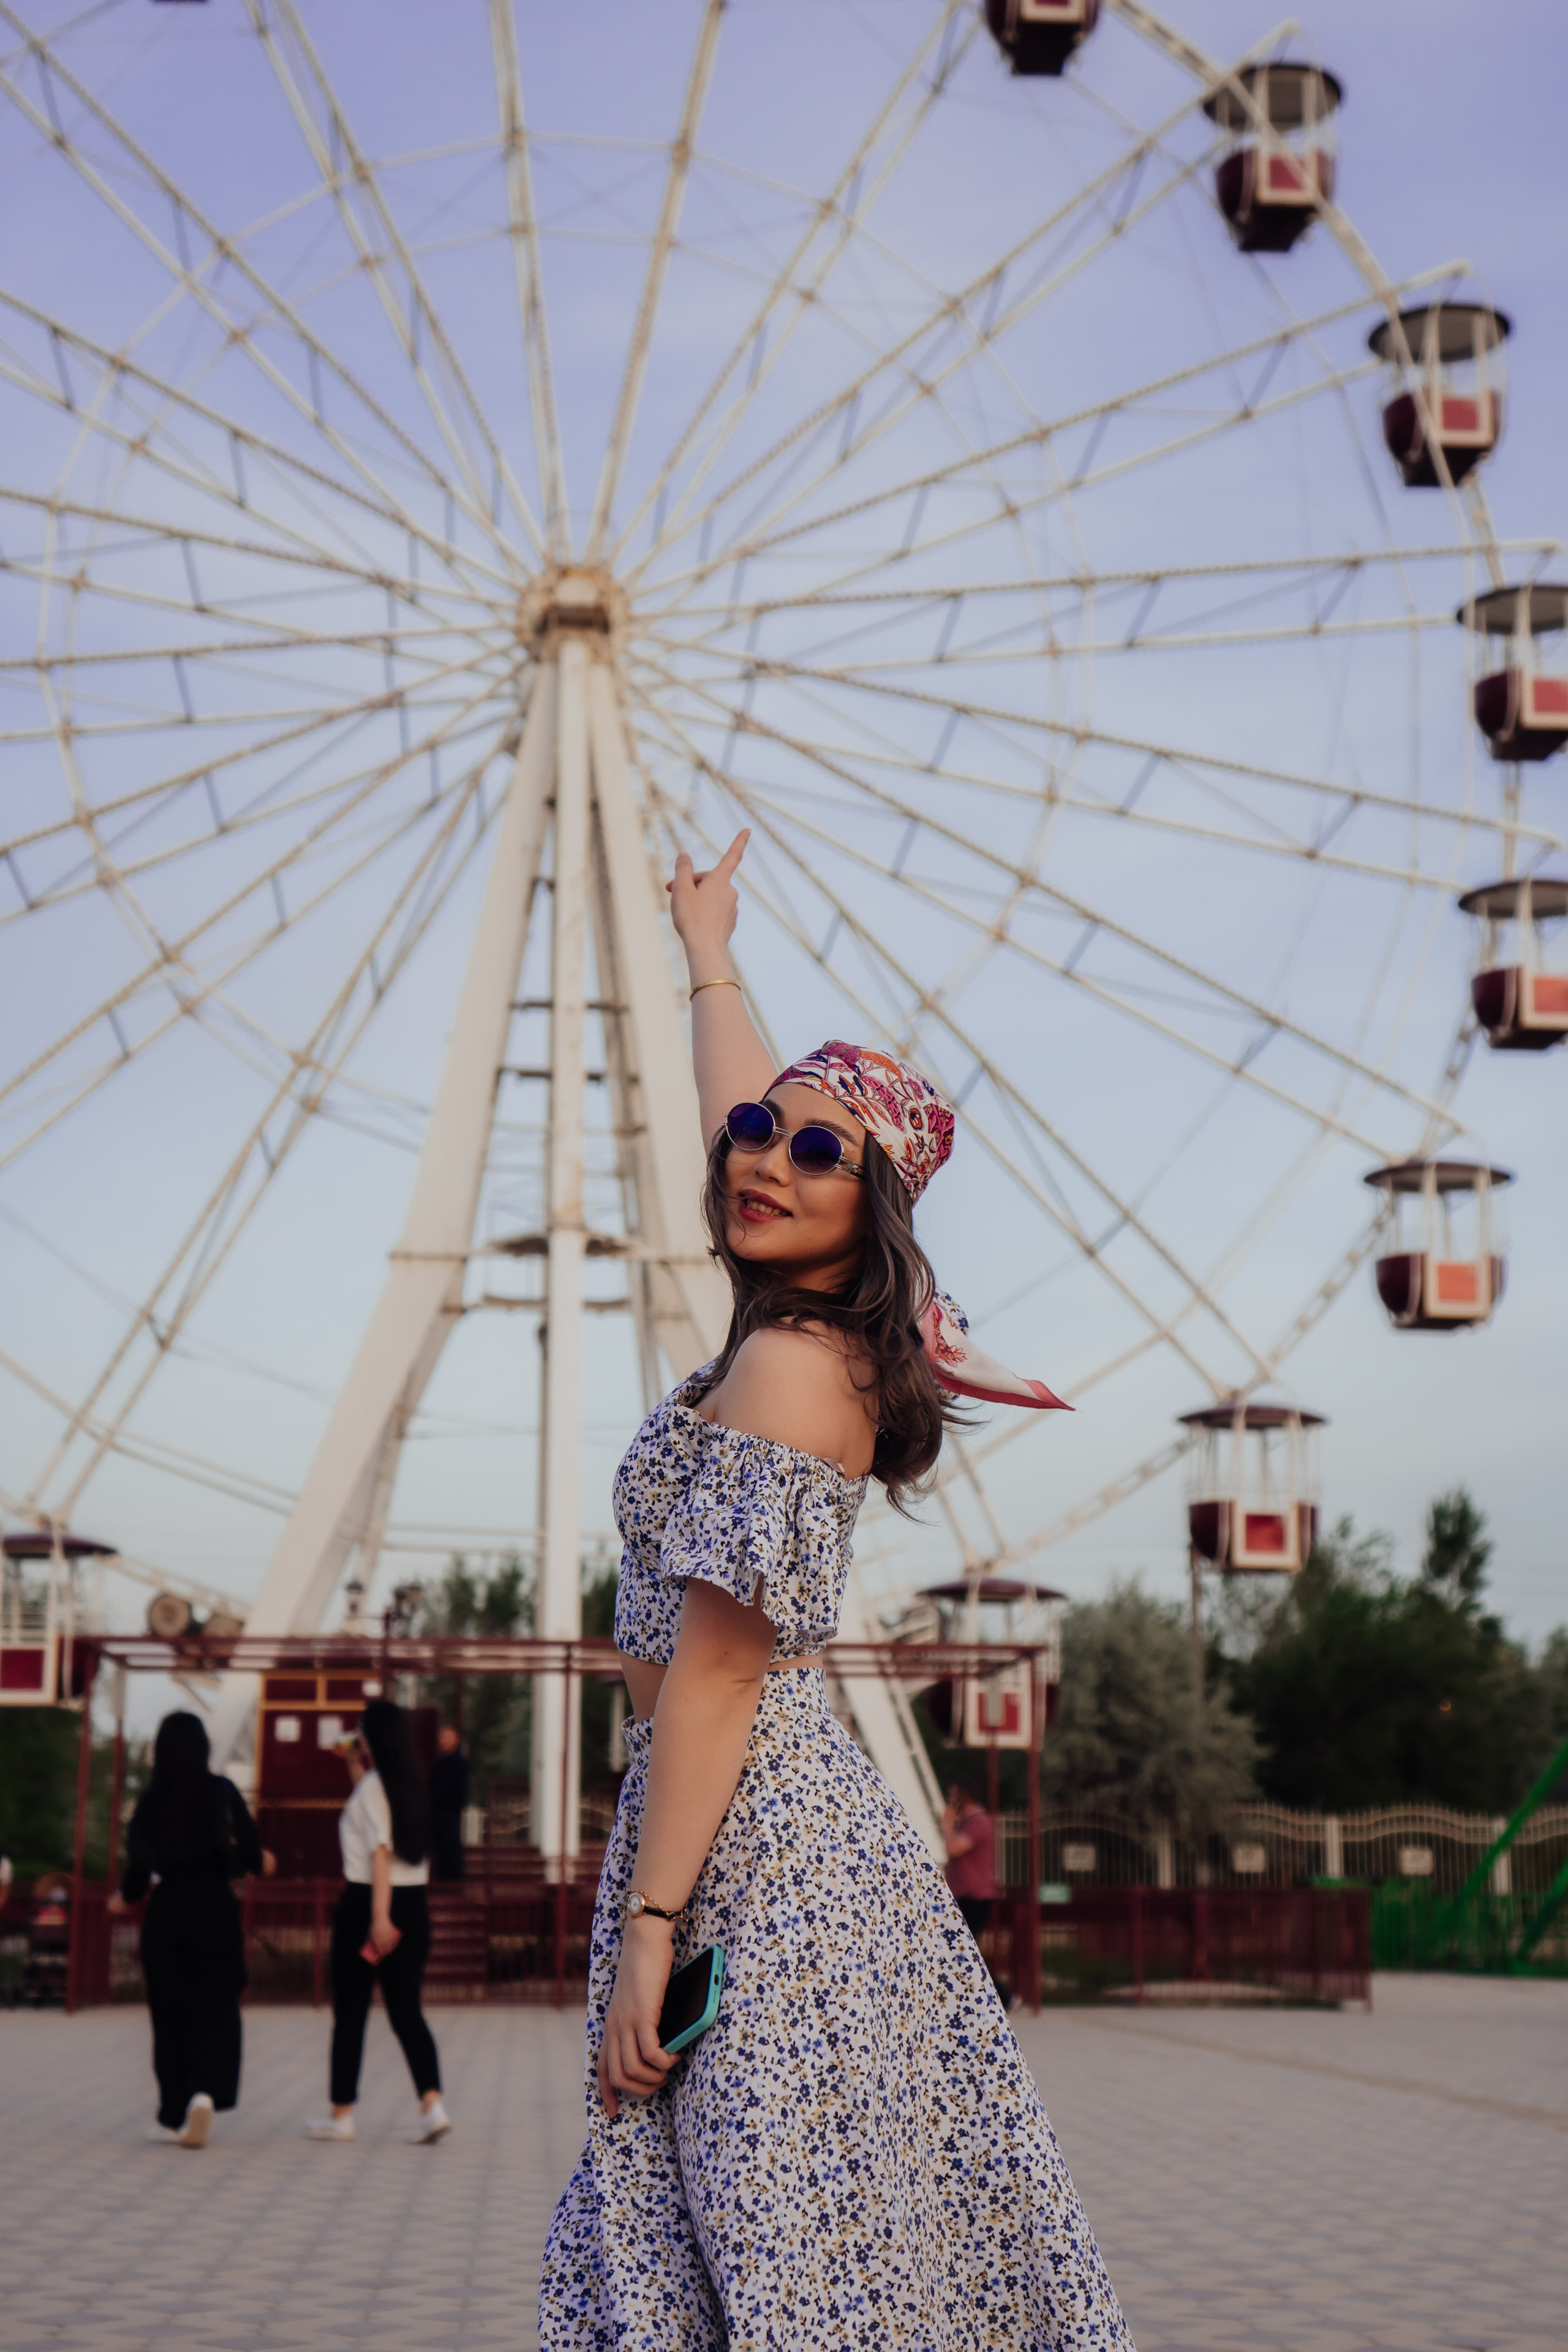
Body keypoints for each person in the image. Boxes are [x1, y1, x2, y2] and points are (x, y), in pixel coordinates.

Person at [540, 832, 1133, 2349]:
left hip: (752, 1852)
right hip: (749, 1819)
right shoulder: (791, 1332)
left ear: (868, 1205)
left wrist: (657, 1927)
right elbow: (751, 1103)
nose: (760, 1155)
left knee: (784, 2229)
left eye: (815, 1152)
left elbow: (721, 1677)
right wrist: (709, 955)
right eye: (753, 1130)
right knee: (785, 2229)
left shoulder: (795, 1370)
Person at [107, 1709, 274, 2147]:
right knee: (216, 2006)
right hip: (216, 1909)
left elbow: (141, 1862)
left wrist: (125, 1895)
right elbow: (249, 1849)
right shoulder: (222, 1791)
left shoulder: (150, 1801)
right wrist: (255, 1863)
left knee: (169, 2015)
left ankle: (171, 2114)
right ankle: (205, 2093)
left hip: (168, 1911)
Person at [308, 1696, 451, 2144]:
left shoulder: (373, 1788)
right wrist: (355, 1764)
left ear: (372, 1736)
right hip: (414, 1906)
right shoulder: (405, 1782)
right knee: (406, 2009)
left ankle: (341, 2114)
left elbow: (379, 1852)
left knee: (350, 2012)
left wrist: (378, 1919)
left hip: (371, 1905)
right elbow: (376, 1819)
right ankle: (432, 2106)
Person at [944, 1777, 1011, 2007]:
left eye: (953, 1797)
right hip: (964, 1895)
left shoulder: (977, 1822)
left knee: (966, 1950)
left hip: (975, 1896)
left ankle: (1004, 1996)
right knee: (961, 1949)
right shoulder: (967, 1822)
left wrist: (947, 1825)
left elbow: (954, 1848)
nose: (950, 1801)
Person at [429, 1722, 469, 1883]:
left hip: (449, 1810)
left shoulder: (458, 1762)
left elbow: (455, 1789)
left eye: (446, 1737)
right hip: (437, 1811)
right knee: (440, 1844)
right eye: (441, 1736)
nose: (442, 1740)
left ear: (456, 1740)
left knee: (449, 1843)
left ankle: (452, 1879)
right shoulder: (440, 1761)